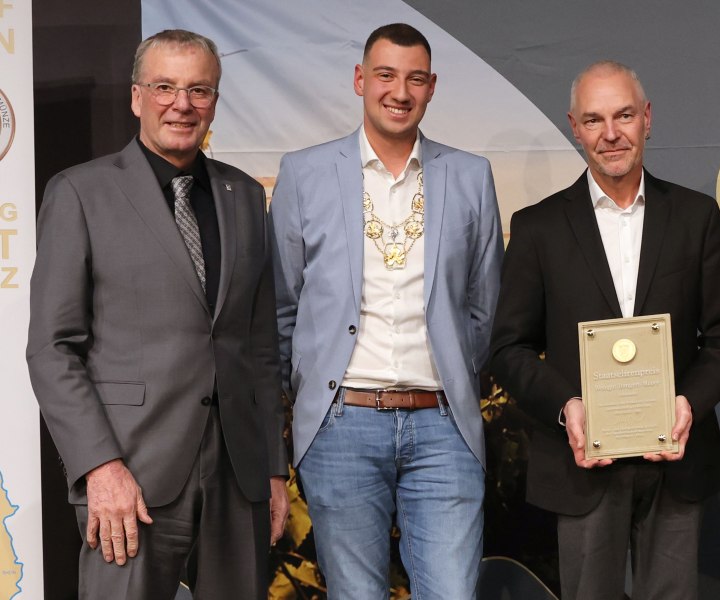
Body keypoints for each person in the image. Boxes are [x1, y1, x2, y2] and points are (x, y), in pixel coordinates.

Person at [26, 29, 288, 599]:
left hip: (239, 474)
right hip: (131, 473)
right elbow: (52, 348)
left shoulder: (245, 195)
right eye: (165, 86)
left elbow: (260, 344)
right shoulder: (79, 193)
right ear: (136, 96)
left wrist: (272, 465)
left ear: (215, 101)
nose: (182, 103)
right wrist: (100, 467)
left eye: (199, 89)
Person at [489, 61, 720, 599]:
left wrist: (688, 404)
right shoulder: (538, 228)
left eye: (624, 115)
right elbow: (509, 349)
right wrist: (568, 407)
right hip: (581, 462)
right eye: (594, 119)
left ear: (647, 118)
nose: (611, 134)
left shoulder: (696, 217)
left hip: (676, 458)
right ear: (574, 126)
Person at [269, 23, 502, 598]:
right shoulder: (304, 173)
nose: (400, 91)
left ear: (431, 88)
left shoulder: (470, 176)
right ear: (360, 81)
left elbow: (484, 305)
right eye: (386, 75)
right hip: (342, 423)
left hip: (444, 426)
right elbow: (281, 308)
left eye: (415, 78)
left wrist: (448, 375)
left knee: (452, 592)